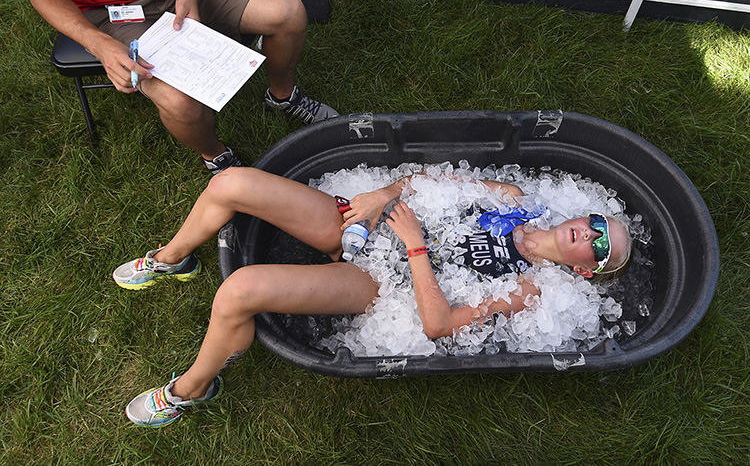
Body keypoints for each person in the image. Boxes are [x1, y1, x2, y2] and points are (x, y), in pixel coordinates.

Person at [114, 166, 632, 427]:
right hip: (371, 224)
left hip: (389, 281)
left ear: (587, 273)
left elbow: (439, 325)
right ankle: (172, 258)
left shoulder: (532, 289)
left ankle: (189, 392)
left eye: (600, 247)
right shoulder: (516, 198)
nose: (589, 234)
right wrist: (383, 195)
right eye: (595, 224)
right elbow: (432, 177)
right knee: (230, 182)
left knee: (237, 293)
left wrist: (415, 245)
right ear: (580, 216)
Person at [0, 0, 338, 174]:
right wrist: (100, 45)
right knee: (180, 102)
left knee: (287, 12)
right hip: (113, 9)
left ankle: (282, 97)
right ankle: (216, 157)